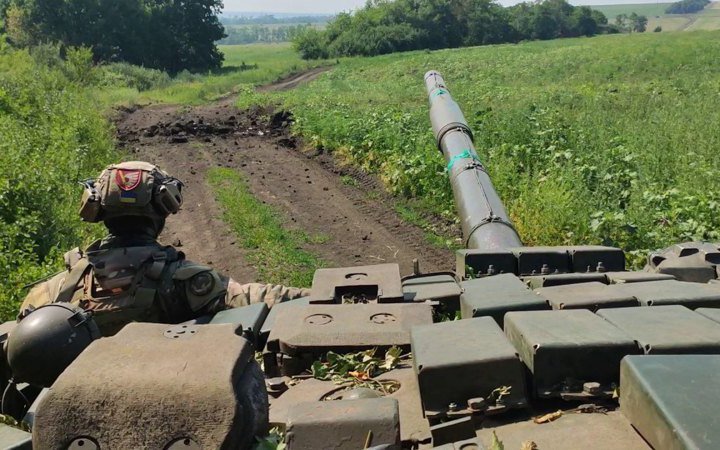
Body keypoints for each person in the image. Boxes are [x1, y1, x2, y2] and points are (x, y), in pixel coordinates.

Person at [19, 161, 310, 336]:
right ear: (163, 210)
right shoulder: (184, 281)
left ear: (98, 211)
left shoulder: (55, 292)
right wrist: (317, 295)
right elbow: (250, 298)